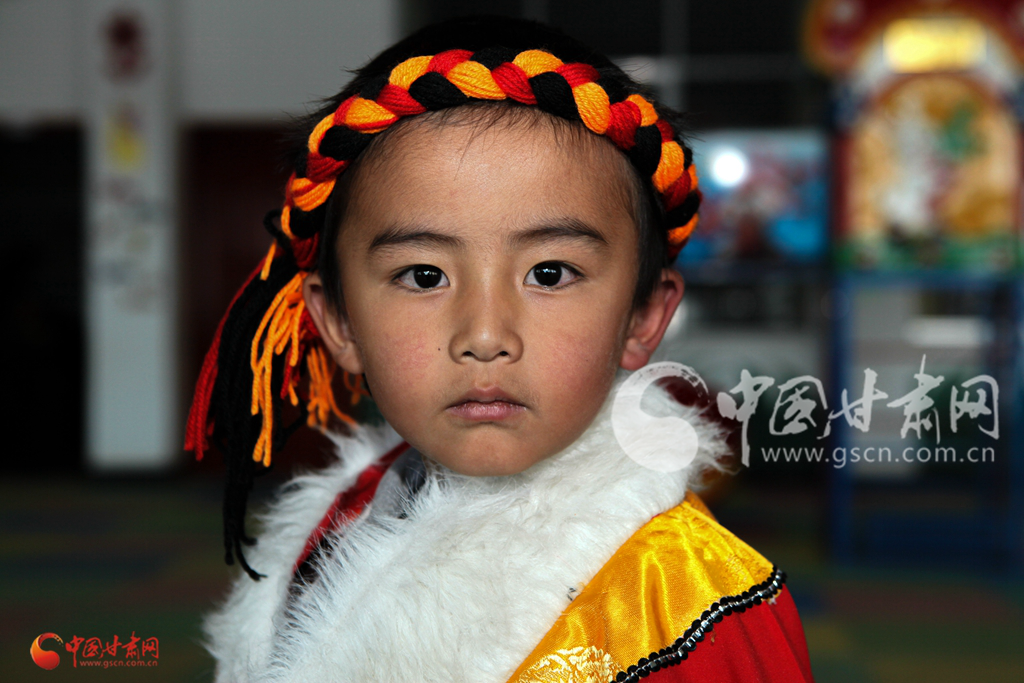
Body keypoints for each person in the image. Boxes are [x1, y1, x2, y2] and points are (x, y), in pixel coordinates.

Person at [186, 16, 815, 683]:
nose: (485, 337)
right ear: (339, 322)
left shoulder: (691, 606)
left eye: (549, 273)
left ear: (642, 317)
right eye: (423, 276)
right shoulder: (344, 514)